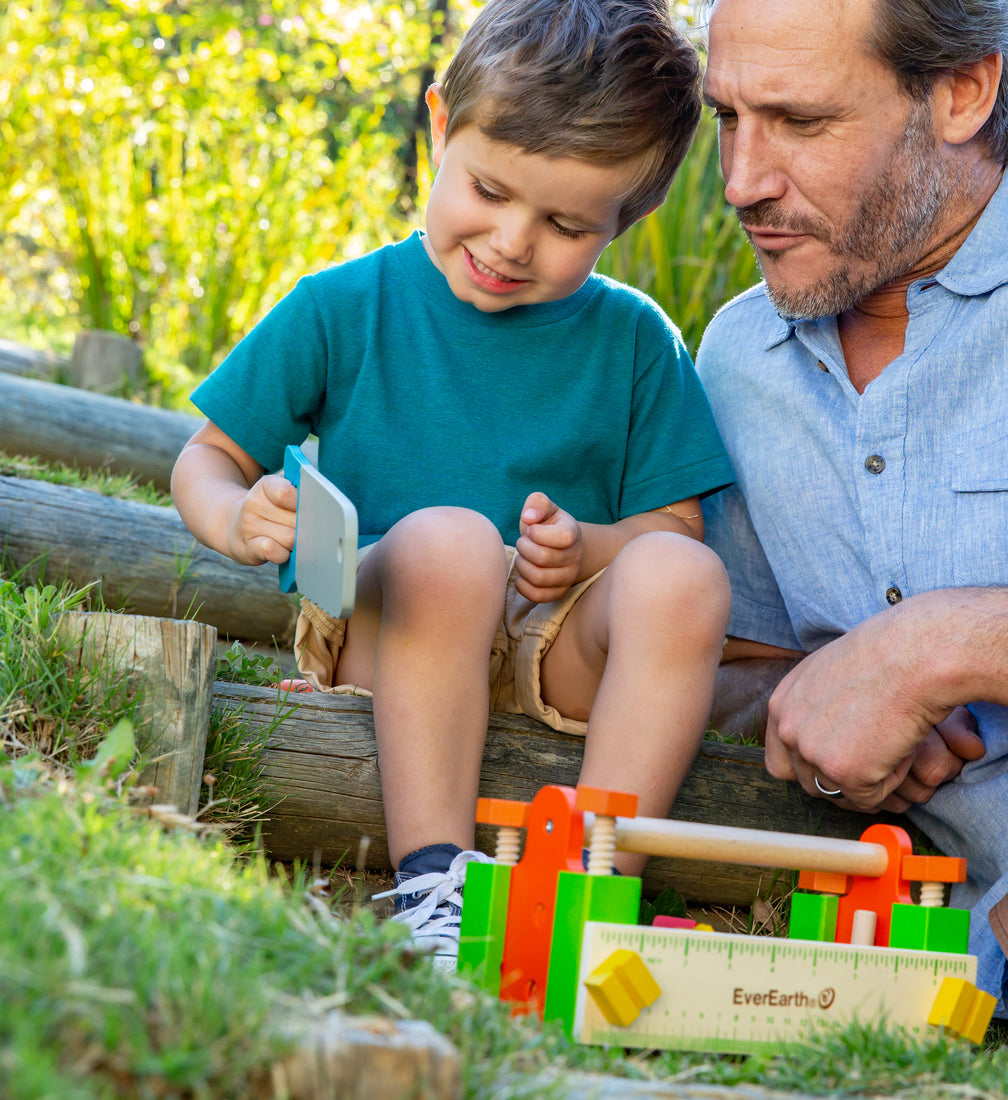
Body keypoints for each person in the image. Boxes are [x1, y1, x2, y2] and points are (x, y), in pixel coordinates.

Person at [172, 0, 734, 968]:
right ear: (441, 124)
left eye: (563, 224)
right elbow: (205, 459)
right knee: (452, 542)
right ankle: (434, 884)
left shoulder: (637, 343)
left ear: (623, 218)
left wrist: (589, 547)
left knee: (686, 581)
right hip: (392, 619)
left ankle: (591, 892)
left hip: (539, 645)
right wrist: (235, 516)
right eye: (487, 189)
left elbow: (673, 527)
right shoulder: (345, 304)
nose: (512, 241)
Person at [698, 0, 1008, 1064]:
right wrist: (824, 709)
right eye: (725, 119)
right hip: (973, 933)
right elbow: (738, 661)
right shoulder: (736, 361)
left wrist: (929, 647)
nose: (742, 180)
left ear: (959, 92)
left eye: (797, 120)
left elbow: (917, 654)